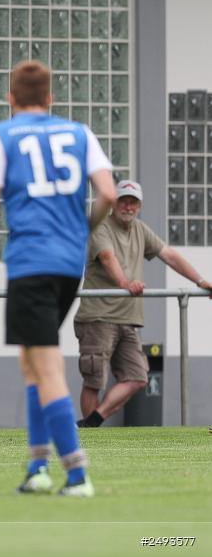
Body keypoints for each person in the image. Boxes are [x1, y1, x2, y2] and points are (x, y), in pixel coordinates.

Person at [0, 60, 116, 497]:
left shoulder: (2, 134)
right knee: (31, 364)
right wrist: (82, 228)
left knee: (44, 366)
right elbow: (109, 194)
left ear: (10, 99)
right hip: (67, 266)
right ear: (49, 99)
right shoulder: (80, 133)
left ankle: (77, 474)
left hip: (30, 264)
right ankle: (37, 467)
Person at [74, 180, 212, 427]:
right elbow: (107, 258)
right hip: (98, 317)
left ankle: (93, 421)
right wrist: (125, 283)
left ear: (140, 206)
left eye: (133, 202)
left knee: (138, 377)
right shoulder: (101, 227)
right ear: (114, 203)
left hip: (128, 318)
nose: (128, 206)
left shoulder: (140, 229)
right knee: (94, 380)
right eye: (123, 200)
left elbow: (169, 255)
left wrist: (200, 280)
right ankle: (89, 441)